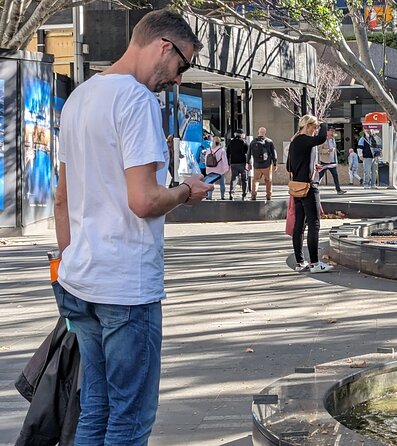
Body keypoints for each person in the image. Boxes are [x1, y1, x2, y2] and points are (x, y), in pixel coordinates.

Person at [52, 10, 211, 445]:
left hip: (79, 282)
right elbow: (143, 201)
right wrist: (184, 191)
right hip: (125, 287)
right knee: (130, 420)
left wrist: (71, 260)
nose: (178, 79)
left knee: (95, 412)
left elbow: (62, 199)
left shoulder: (79, 98)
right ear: (164, 46)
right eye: (183, 65)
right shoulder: (138, 100)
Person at [286, 115, 333, 273]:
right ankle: (314, 263)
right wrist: (324, 124)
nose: (316, 130)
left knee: (299, 225)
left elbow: (288, 166)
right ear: (307, 126)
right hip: (309, 187)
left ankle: (300, 262)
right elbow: (321, 139)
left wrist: (310, 166)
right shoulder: (305, 139)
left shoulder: (294, 142)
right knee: (314, 224)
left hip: (297, 188)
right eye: (314, 127)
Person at [247, 127, 277, 201]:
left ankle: (253, 194)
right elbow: (274, 153)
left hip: (257, 165)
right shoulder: (269, 141)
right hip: (267, 165)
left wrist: (248, 163)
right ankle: (268, 195)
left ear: (258, 132)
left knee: (255, 180)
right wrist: (275, 163)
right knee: (268, 180)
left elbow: (248, 153)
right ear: (265, 133)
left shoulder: (253, 142)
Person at [318, 127, 346, 194]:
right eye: (331, 131)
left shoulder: (333, 140)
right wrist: (328, 150)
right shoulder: (323, 140)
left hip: (332, 161)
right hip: (324, 161)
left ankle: (338, 190)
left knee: (335, 175)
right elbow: (319, 150)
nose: (332, 132)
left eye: (333, 131)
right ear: (327, 132)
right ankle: (312, 187)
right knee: (320, 175)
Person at [227, 128, 249, 200]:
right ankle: (244, 195)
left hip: (233, 163)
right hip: (242, 163)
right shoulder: (244, 142)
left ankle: (231, 193)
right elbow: (247, 152)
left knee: (234, 178)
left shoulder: (231, 142)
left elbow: (228, 153)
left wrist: (228, 163)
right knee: (244, 179)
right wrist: (248, 162)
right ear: (242, 135)